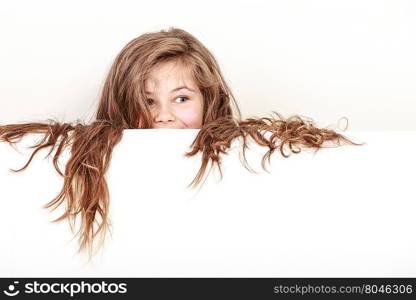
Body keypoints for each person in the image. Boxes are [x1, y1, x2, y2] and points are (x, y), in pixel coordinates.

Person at [0, 27, 364, 260]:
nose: (163, 115)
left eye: (181, 99)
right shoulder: (97, 149)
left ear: (210, 101)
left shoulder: (237, 150)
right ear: (122, 104)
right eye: (146, 101)